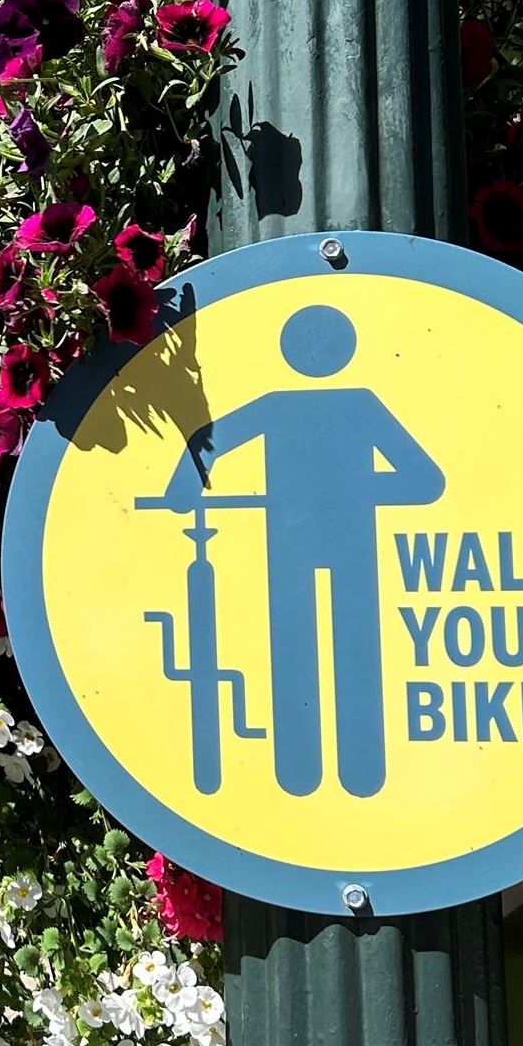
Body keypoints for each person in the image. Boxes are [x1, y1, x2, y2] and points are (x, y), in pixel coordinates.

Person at [155, 304, 442, 797]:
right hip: (317, 542)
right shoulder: (355, 405)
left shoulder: (298, 406)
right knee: (318, 645)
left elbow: (427, 481)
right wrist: (366, 490)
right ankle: (338, 773)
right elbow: (423, 481)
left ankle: (322, 773)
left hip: (319, 541)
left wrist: (182, 492)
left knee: (326, 646)